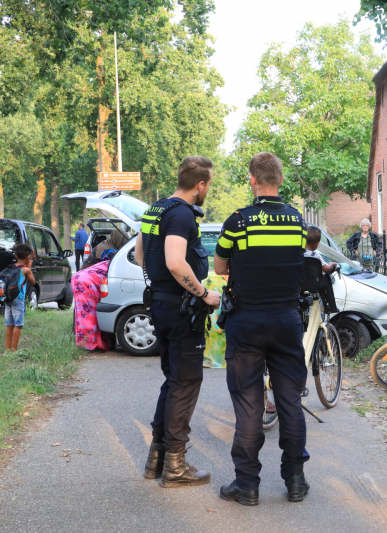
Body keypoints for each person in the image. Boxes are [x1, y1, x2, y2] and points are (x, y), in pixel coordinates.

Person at [214, 151, 309, 506]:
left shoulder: (238, 222)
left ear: (253, 180)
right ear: (280, 180)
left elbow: (220, 265)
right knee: (290, 403)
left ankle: (247, 484)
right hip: (287, 320)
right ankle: (296, 480)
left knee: (249, 405)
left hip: (248, 321)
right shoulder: (297, 221)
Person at [133, 156, 221, 488]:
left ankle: (156, 459)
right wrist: (203, 294)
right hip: (182, 309)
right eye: (208, 184)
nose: (207, 189)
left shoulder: (155, 209)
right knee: (185, 383)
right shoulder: (183, 214)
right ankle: (175, 466)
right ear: (200, 184)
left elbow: (142, 256)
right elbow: (174, 261)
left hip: (160, 303)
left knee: (172, 381)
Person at [71, 260, 116, 352]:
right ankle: (90, 345)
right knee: (88, 316)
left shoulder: (108, 263)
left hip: (83, 279)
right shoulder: (114, 263)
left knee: (86, 314)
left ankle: (89, 343)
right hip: (85, 282)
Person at [4, 244, 35, 353]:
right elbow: (32, 282)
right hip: (18, 299)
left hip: (7, 298)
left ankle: (7, 350)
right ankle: (14, 350)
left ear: (16, 256)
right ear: (28, 257)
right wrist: (29, 267)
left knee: (9, 325)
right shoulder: (26, 270)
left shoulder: (10, 268)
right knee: (18, 325)